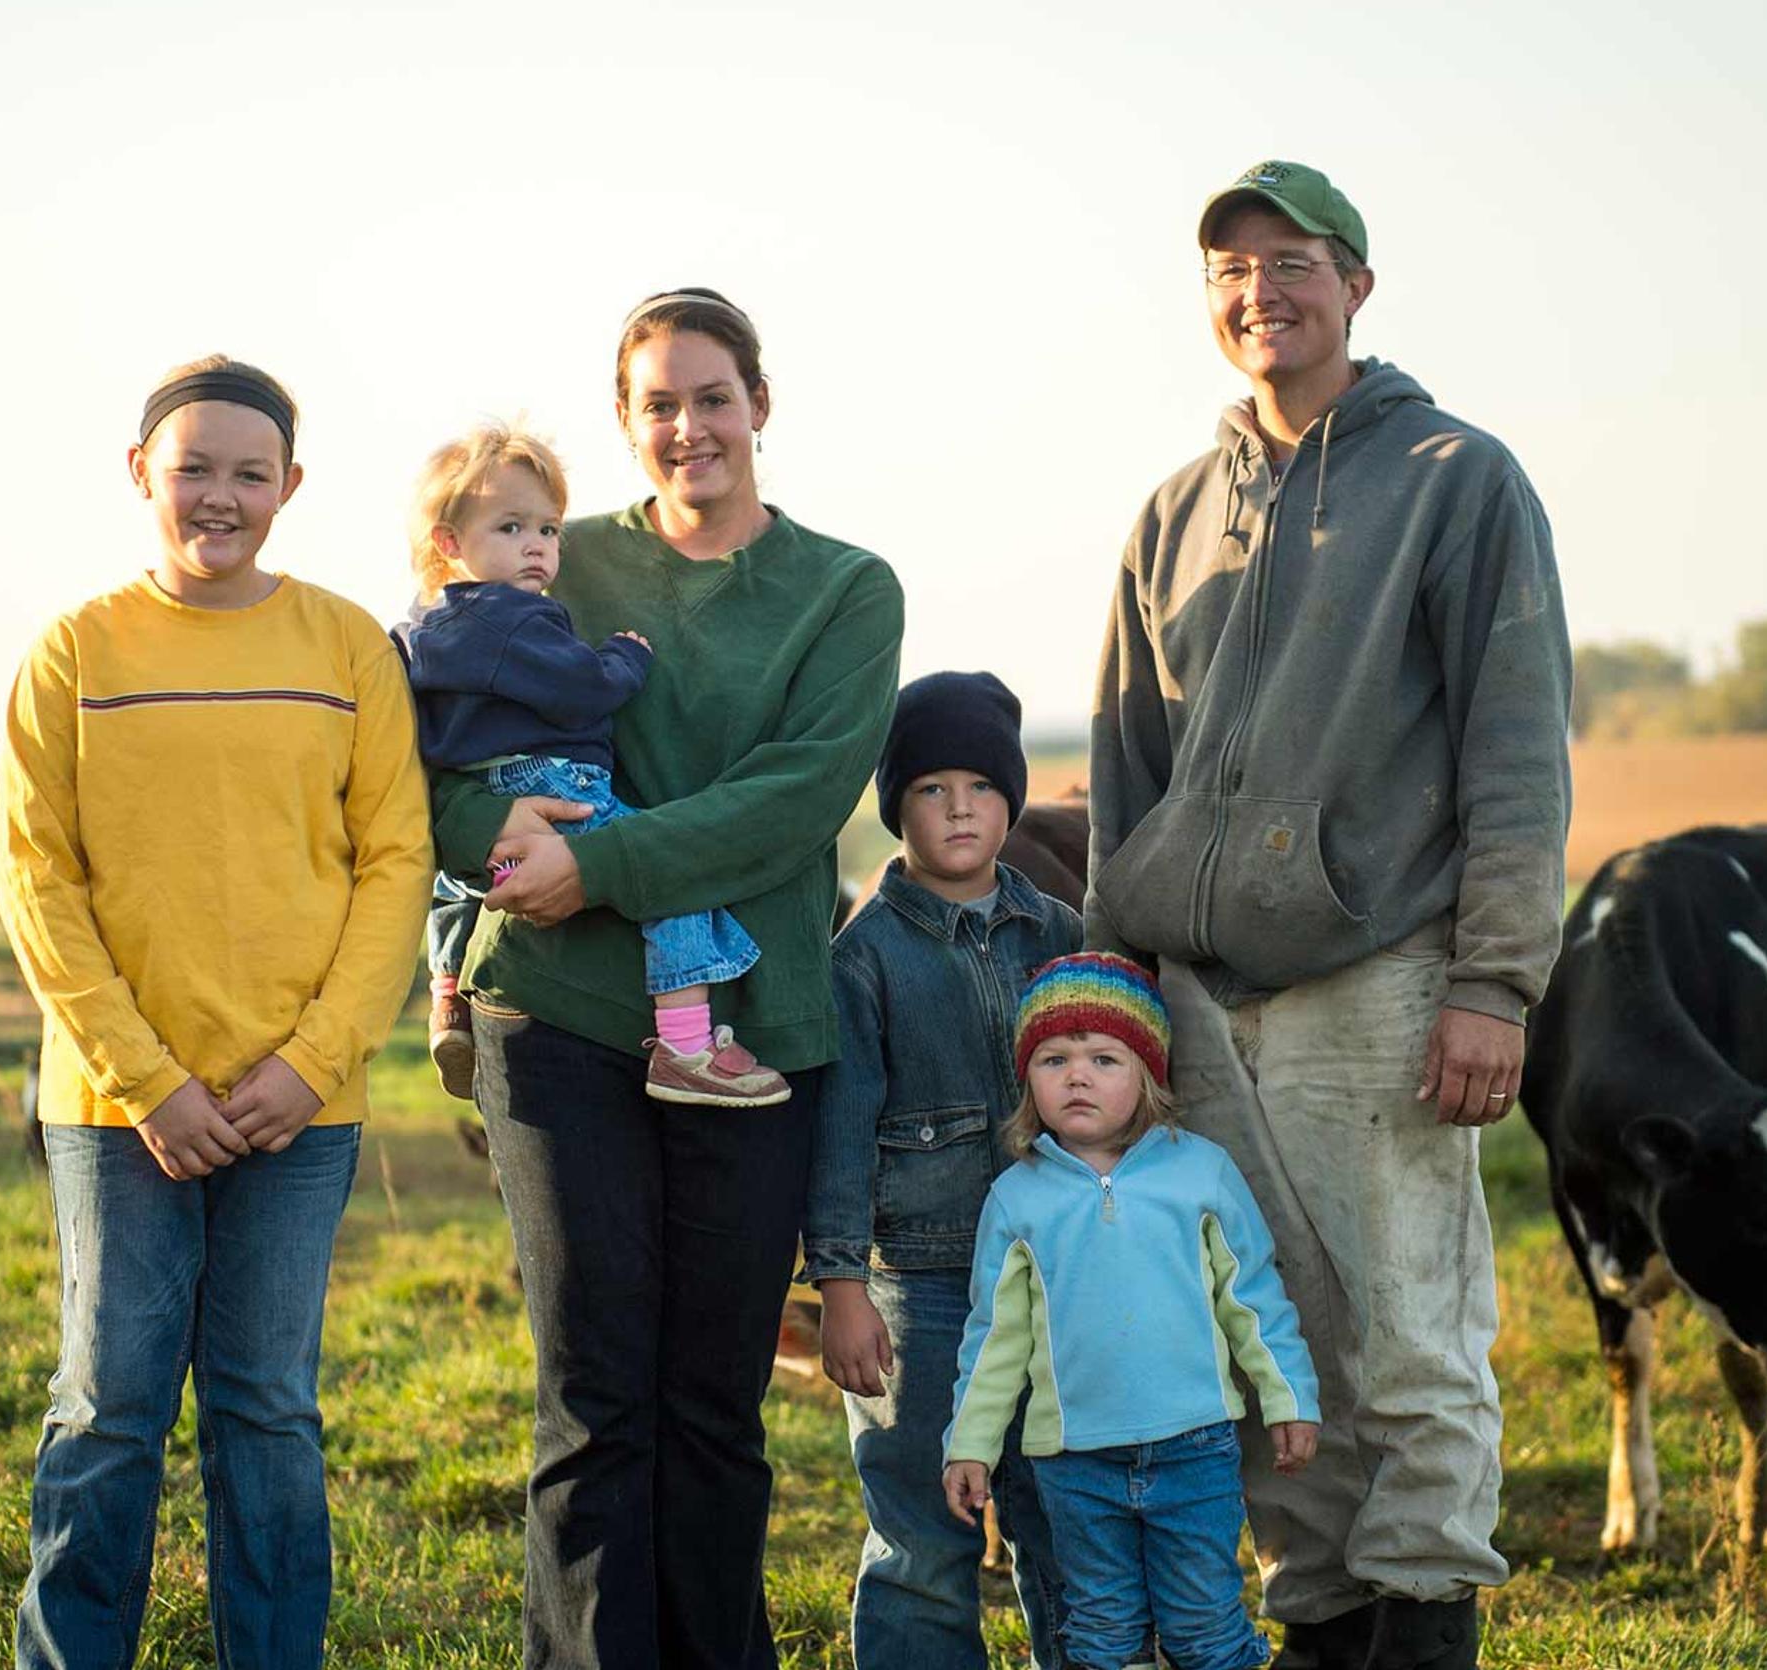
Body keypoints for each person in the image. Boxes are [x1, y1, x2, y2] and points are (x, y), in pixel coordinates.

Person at [1087, 162, 1572, 1670]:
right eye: (1230, 270)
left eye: (1290, 261)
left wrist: (1494, 983)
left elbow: (1515, 744)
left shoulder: (1455, 476)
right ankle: (1321, 1617)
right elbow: (1125, 766)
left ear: (1357, 282)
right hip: (1197, 996)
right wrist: (1117, 982)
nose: (1259, 292)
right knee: (1259, 1340)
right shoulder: (1173, 511)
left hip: (1381, 978)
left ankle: (1424, 1620)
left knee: (1405, 1335)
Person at [436, 287, 903, 1667]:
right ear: (626, 424)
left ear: (761, 402)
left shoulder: (845, 588)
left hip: (751, 1030)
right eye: (657, 403)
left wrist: (607, 863)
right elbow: (445, 748)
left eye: (711, 395)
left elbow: (798, 795)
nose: (688, 425)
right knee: (594, 1398)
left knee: (713, 1399)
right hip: (561, 1013)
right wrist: (500, 843)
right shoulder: (552, 558)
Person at [0, 355, 434, 1670]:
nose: (220, 496)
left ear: (291, 485)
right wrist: (147, 1079)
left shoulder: (349, 645)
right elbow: (38, 881)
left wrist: (311, 1061)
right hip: (119, 1110)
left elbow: (395, 864)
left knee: (269, 1413)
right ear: (143, 474)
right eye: (194, 467)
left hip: (301, 1111)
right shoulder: (75, 651)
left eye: (251, 472)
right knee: (107, 1411)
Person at [804, 670, 1081, 1668]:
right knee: (924, 1527)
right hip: (919, 1283)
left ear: (1011, 797)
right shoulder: (864, 957)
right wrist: (841, 1284)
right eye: (930, 787)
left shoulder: (1060, 934)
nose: (958, 805)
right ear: (896, 808)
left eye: (978, 784)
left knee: (1063, 1513)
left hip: (1054, 1279)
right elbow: (838, 1134)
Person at [944, 954, 1320, 1670]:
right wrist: (971, 1444)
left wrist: (1289, 1398)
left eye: (1104, 1058)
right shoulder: (1018, 1200)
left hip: (1195, 1448)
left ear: (1147, 1073)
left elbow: (1254, 1300)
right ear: (1028, 1078)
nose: (1076, 1075)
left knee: (1204, 1627)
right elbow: (993, 1340)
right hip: (1074, 1463)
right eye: (1053, 1058)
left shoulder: (1200, 1172)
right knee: (1103, 1635)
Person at [399, 418, 785, 1107]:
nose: (538, 549)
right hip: (556, 783)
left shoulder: (423, 629)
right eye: (510, 528)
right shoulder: (518, 618)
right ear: (450, 542)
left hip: (480, 790)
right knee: (671, 876)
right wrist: (625, 656)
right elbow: (582, 689)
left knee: (459, 886)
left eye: (548, 530)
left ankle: (448, 997)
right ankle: (687, 1045)